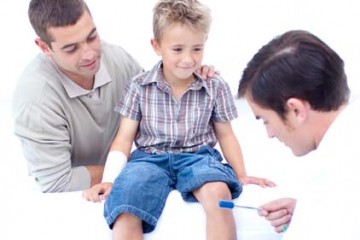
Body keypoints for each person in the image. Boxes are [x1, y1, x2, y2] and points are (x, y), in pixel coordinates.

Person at [83, 0, 275, 239]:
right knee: (126, 203)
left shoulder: (214, 85)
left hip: (198, 157)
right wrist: (109, 180)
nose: (188, 59)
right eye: (177, 49)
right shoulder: (139, 86)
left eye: (197, 49)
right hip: (149, 160)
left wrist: (241, 174)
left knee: (218, 192)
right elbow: (124, 138)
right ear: (156, 46)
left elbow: (226, 134)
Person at [12, 0, 216, 193]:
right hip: (81, 199)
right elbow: (56, 182)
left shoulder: (117, 60)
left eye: (92, 37)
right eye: (71, 48)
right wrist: (130, 170)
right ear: (44, 47)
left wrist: (190, 74)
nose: (89, 54)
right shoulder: (35, 100)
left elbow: (158, 97)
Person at [238, 30, 360, 239]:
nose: (270, 133)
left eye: (266, 120)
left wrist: (312, 219)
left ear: (295, 110)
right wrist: (304, 212)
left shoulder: (332, 189)